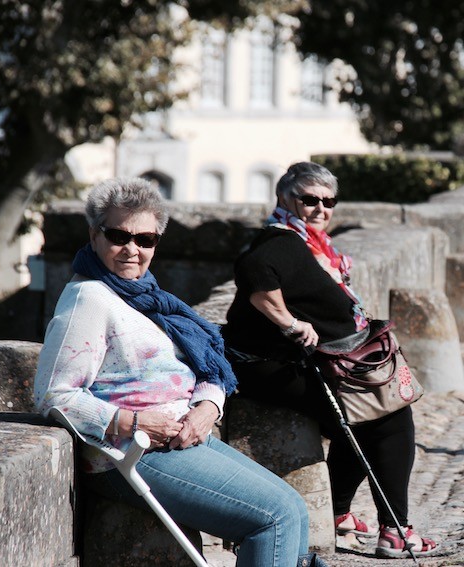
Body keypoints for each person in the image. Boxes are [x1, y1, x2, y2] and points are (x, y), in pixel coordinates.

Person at [34, 177, 327, 567]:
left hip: (180, 438)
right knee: (276, 518)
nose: (131, 249)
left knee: (293, 506)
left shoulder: (146, 295)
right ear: (93, 234)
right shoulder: (89, 299)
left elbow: (202, 364)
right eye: (118, 235)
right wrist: (134, 421)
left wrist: (208, 407)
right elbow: (53, 395)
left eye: (145, 240)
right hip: (130, 451)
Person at [222, 162, 437, 559]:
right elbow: (255, 274)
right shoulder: (279, 241)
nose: (320, 208)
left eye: (328, 201)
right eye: (309, 199)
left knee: (365, 412)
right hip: (263, 366)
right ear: (284, 198)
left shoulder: (312, 245)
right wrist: (289, 323)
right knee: (385, 414)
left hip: (300, 360)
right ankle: (395, 530)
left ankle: (339, 514)